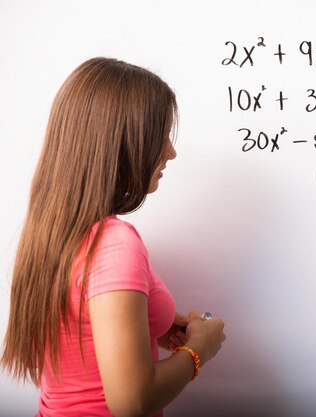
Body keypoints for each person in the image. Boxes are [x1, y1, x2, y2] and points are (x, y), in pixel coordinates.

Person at [1, 57, 226, 417]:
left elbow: (85, 332)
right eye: (160, 136)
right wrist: (200, 349)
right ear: (121, 144)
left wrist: (156, 321)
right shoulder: (114, 243)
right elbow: (132, 402)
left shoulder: (52, 231)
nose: (171, 152)